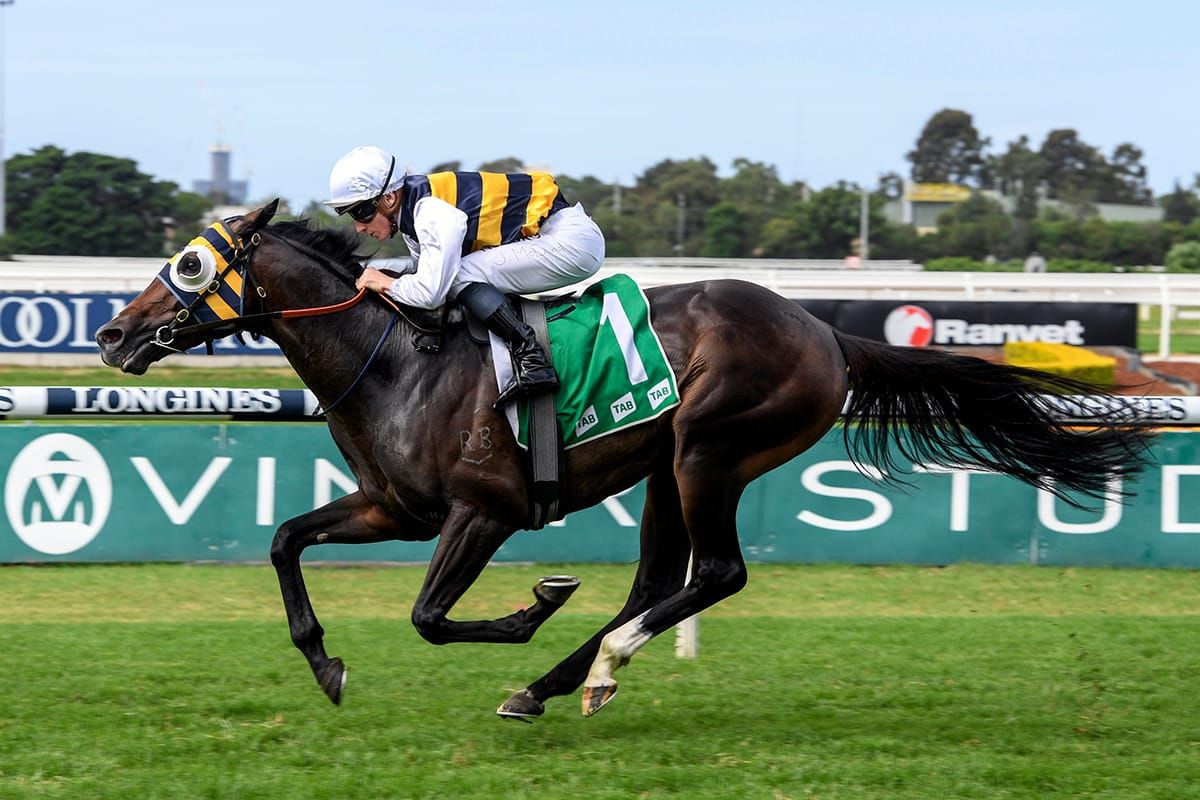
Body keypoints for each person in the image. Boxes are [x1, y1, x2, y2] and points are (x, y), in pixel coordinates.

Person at [325, 145, 605, 407]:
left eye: (361, 213)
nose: (359, 228)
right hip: (551, 237)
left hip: (570, 241)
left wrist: (386, 283)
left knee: (460, 274)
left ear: (389, 198)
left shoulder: (430, 212)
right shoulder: (412, 218)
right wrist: (392, 282)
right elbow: (424, 280)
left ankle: (531, 357)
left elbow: (431, 292)